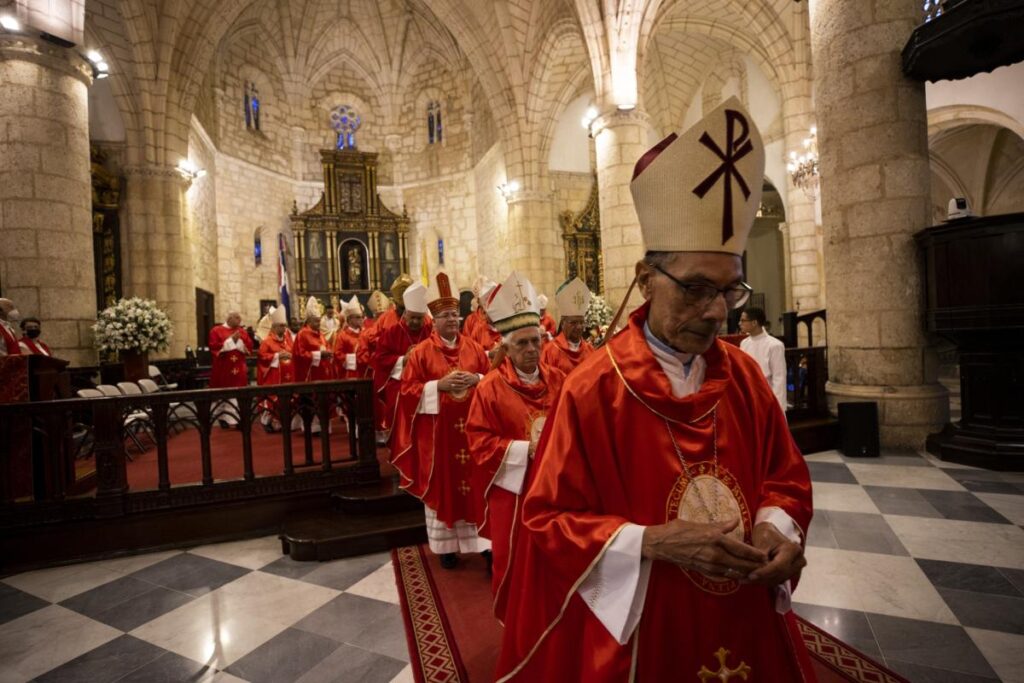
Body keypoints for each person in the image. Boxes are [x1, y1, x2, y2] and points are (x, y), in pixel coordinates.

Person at [496, 98, 814, 681]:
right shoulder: (593, 390)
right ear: (646, 280)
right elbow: (545, 519)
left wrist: (778, 528)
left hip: (743, 611)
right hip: (645, 629)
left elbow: (784, 478)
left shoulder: (744, 377)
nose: (716, 311)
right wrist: (649, 541)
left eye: (729, 291)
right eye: (695, 287)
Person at [465, 271, 566, 614]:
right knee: (517, 564)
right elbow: (479, 443)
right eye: (522, 343)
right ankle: (518, 628)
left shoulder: (560, 381)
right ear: (505, 347)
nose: (531, 349)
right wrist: (527, 450)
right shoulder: (489, 389)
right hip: (514, 493)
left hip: (557, 489)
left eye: (536, 341)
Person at [391, 272, 490, 569]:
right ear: (434, 319)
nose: (452, 320)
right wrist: (438, 387)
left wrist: (477, 379)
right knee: (444, 486)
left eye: (455, 315)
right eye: (446, 315)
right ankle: (446, 547)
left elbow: (494, 380)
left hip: (472, 434)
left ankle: (484, 545)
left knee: (476, 486)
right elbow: (407, 392)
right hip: (438, 439)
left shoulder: (474, 348)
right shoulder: (421, 353)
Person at [372, 283, 432, 445]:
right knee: (397, 405)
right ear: (405, 315)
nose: (415, 322)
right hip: (399, 383)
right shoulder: (392, 333)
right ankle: (399, 448)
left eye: (419, 318)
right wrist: (404, 360)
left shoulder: (430, 331)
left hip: (425, 381)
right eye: (412, 317)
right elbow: (380, 359)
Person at [540, 277, 594, 376]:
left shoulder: (589, 350)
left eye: (581, 322)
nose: (579, 327)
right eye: (573, 323)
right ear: (563, 323)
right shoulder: (550, 351)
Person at [256, 306, 297, 432]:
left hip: (288, 376)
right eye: (281, 326)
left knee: (288, 399)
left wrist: (291, 355)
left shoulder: (288, 341)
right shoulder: (267, 342)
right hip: (273, 377)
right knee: (273, 399)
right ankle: (268, 422)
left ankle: (284, 422)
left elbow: (294, 352)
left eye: (284, 326)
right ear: (274, 327)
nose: (284, 328)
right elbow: (262, 357)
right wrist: (277, 356)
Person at [739, 306, 788, 412]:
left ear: (754, 323)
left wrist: (778, 407)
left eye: (743, 320)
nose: (740, 323)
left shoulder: (775, 345)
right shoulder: (744, 343)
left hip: (767, 397)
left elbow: (779, 378)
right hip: (749, 397)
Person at [208, 311, 252, 427]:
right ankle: (223, 417)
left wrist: (239, 342)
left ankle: (235, 419)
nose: (239, 320)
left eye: (240, 318)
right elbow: (214, 347)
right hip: (224, 368)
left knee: (238, 392)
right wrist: (230, 340)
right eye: (237, 318)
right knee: (224, 392)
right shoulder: (216, 330)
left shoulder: (242, 331)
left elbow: (249, 345)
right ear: (229, 318)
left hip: (239, 367)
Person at [293, 297, 334, 383]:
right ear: (309, 321)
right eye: (316, 321)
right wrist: (319, 354)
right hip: (310, 375)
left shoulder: (320, 334)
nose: (319, 324)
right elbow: (300, 355)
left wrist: (329, 352)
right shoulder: (302, 334)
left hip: (322, 372)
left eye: (319, 321)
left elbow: (327, 346)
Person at [333, 296, 369, 380]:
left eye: (361, 317)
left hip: (366, 372)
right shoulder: (342, 335)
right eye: (357, 317)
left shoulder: (366, 333)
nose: (361, 319)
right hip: (350, 374)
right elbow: (337, 354)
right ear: (349, 319)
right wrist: (356, 359)